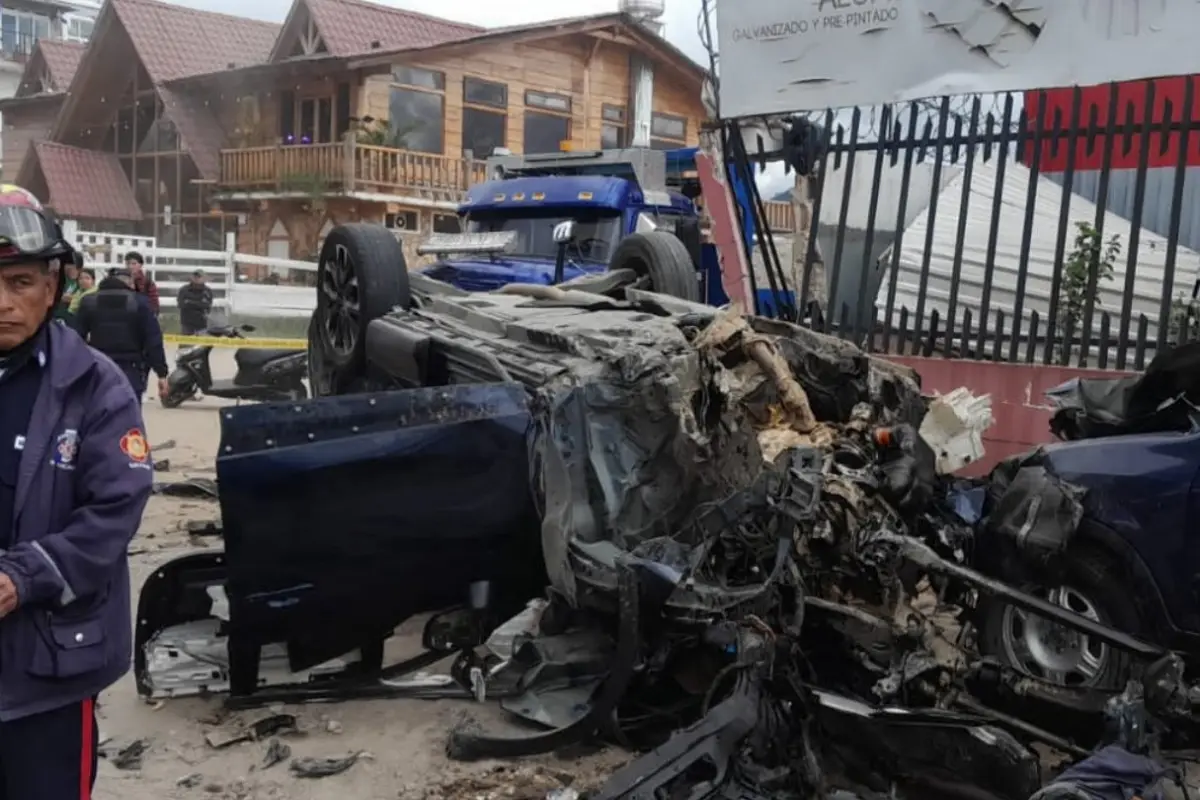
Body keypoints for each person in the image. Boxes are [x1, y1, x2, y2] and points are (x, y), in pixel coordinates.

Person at [0, 183, 152, 798]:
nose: (3, 303)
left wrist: (22, 577)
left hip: (48, 672)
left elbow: (115, 510)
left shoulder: (96, 388)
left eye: (20, 283)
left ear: (54, 287)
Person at [75, 268, 169, 402]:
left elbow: (77, 338)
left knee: (98, 417)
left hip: (98, 367)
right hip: (131, 368)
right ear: (130, 284)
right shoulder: (140, 302)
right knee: (130, 417)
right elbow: (153, 340)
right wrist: (161, 373)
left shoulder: (88, 302)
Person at [176, 269, 213, 335]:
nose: (196, 278)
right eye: (195, 276)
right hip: (187, 324)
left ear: (204, 279)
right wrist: (199, 304)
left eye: (199, 276)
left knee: (202, 345)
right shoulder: (184, 290)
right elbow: (181, 305)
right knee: (186, 344)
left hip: (202, 325)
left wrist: (189, 302)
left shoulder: (208, 291)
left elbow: (207, 306)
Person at [122, 251, 159, 316]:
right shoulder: (120, 280)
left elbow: (154, 303)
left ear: (140, 265)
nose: (130, 266)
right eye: (128, 263)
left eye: (134, 264)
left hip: (141, 317)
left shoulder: (148, 283)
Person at [52, 253, 80, 323]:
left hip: (73, 319)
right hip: (56, 317)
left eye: (73, 266)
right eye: (67, 265)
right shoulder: (59, 279)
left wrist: (74, 298)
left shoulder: (80, 280)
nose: (69, 268)